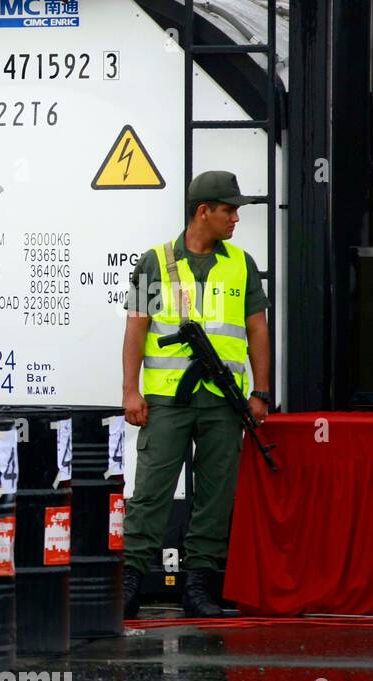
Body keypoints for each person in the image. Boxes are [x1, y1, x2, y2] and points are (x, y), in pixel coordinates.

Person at [121, 170, 272, 619]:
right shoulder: (154, 261)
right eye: (229, 210)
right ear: (203, 211)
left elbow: (257, 329)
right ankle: (128, 582)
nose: (236, 218)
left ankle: (200, 587)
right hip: (167, 402)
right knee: (151, 493)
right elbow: (136, 328)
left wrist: (261, 391)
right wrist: (130, 391)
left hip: (224, 403)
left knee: (216, 496)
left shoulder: (242, 263)